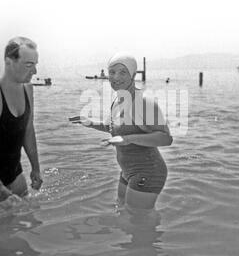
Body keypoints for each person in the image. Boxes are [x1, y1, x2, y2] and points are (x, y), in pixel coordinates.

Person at [70, 52, 173, 211]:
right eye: (112, 72)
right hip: (128, 170)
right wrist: (90, 123)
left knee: (139, 218)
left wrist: (128, 139)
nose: (116, 77)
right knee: (121, 210)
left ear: (133, 74)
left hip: (148, 171)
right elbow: (112, 127)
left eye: (122, 72)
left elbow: (166, 138)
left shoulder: (143, 101)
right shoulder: (117, 101)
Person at [0, 37, 43, 206]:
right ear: (9, 61)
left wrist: (36, 168)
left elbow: (28, 130)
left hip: (15, 176)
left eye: (35, 64)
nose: (35, 71)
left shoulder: (28, 89)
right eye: (28, 64)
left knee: (30, 224)